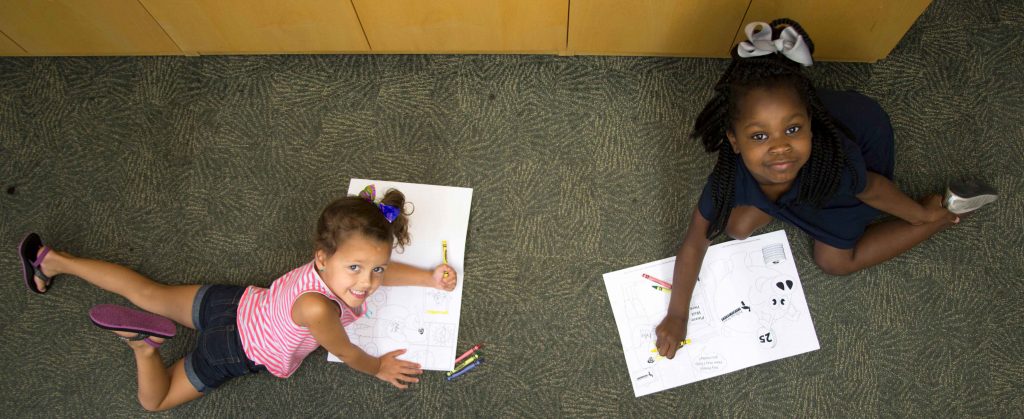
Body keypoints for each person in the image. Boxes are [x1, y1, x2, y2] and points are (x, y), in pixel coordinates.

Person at [655, 19, 997, 359]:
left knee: (833, 260)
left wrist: (920, 215)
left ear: (810, 122)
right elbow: (695, 240)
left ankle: (943, 213)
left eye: (793, 129)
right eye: (759, 136)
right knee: (735, 226)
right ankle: (787, 179)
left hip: (859, 153)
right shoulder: (727, 179)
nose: (779, 148)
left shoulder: (833, 161)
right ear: (734, 141)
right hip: (819, 154)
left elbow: (874, 189)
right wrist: (677, 314)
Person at [17, 185, 458, 411]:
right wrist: (379, 366)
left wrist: (426, 277)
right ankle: (143, 346)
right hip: (234, 350)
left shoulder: (334, 264)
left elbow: (377, 263)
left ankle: (52, 259)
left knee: (146, 291)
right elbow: (347, 351)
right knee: (154, 402)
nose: (367, 283)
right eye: (356, 270)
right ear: (322, 258)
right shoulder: (318, 308)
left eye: (375, 269)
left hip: (231, 303)